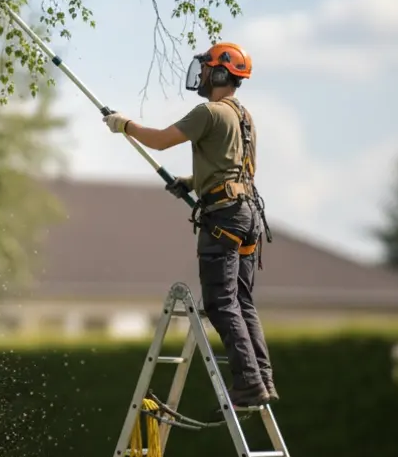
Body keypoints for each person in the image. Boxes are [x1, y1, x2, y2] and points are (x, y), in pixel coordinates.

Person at [101, 42, 276, 409]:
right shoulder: (244, 117)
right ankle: (262, 377)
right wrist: (192, 181)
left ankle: (248, 384)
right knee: (242, 300)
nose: (202, 76)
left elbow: (162, 141)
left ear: (219, 73)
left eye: (208, 68)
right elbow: (237, 168)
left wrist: (125, 125)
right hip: (248, 215)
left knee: (219, 302)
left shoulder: (209, 112)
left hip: (224, 216)